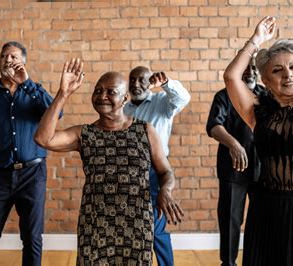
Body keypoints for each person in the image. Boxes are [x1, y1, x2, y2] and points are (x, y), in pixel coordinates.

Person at [34, 58, 184, 265]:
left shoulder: (145, 130)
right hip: (95, 223)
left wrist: (166, 191)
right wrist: (64, 93)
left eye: (111, 92)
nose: (102, 96)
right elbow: (43, 138)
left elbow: (165, 172)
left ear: (124, 99)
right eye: (97, 91)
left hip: (136, 222)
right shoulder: (84, 133)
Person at [224, 16, 293, 265]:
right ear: (265, 81)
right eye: (277, 70)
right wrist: (257, 40)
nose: (288, 74)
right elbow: (231, 77)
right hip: (268, 211)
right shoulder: (257, 110)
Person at [0, 41, 56, 266]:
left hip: (32, 174)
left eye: (13, 56)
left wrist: (28, 83)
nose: (8, 60)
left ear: (23, 62)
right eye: (4, 56)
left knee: (32, 238)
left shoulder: (35, 92)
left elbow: (57, 112)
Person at [124, 66, 190, 266]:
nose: (136, 84)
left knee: (156, 226)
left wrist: (166, 83)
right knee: (130, 225)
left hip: (155, 171)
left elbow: (183, 98)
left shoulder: (163, 103)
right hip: (127, 172)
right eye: (132, 80)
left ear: (150, 81)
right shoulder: (124, 108)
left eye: (141, 80)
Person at [206, 58, 265, 266]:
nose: (250, 71)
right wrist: (233, 144)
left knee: (262, 221)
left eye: (253, 67)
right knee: (231, 220)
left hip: (264, 170)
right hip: (233, 169)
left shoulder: (266, 95)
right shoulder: (223, 96)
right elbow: (213, 126)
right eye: (245, 67)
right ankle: (228, 262)